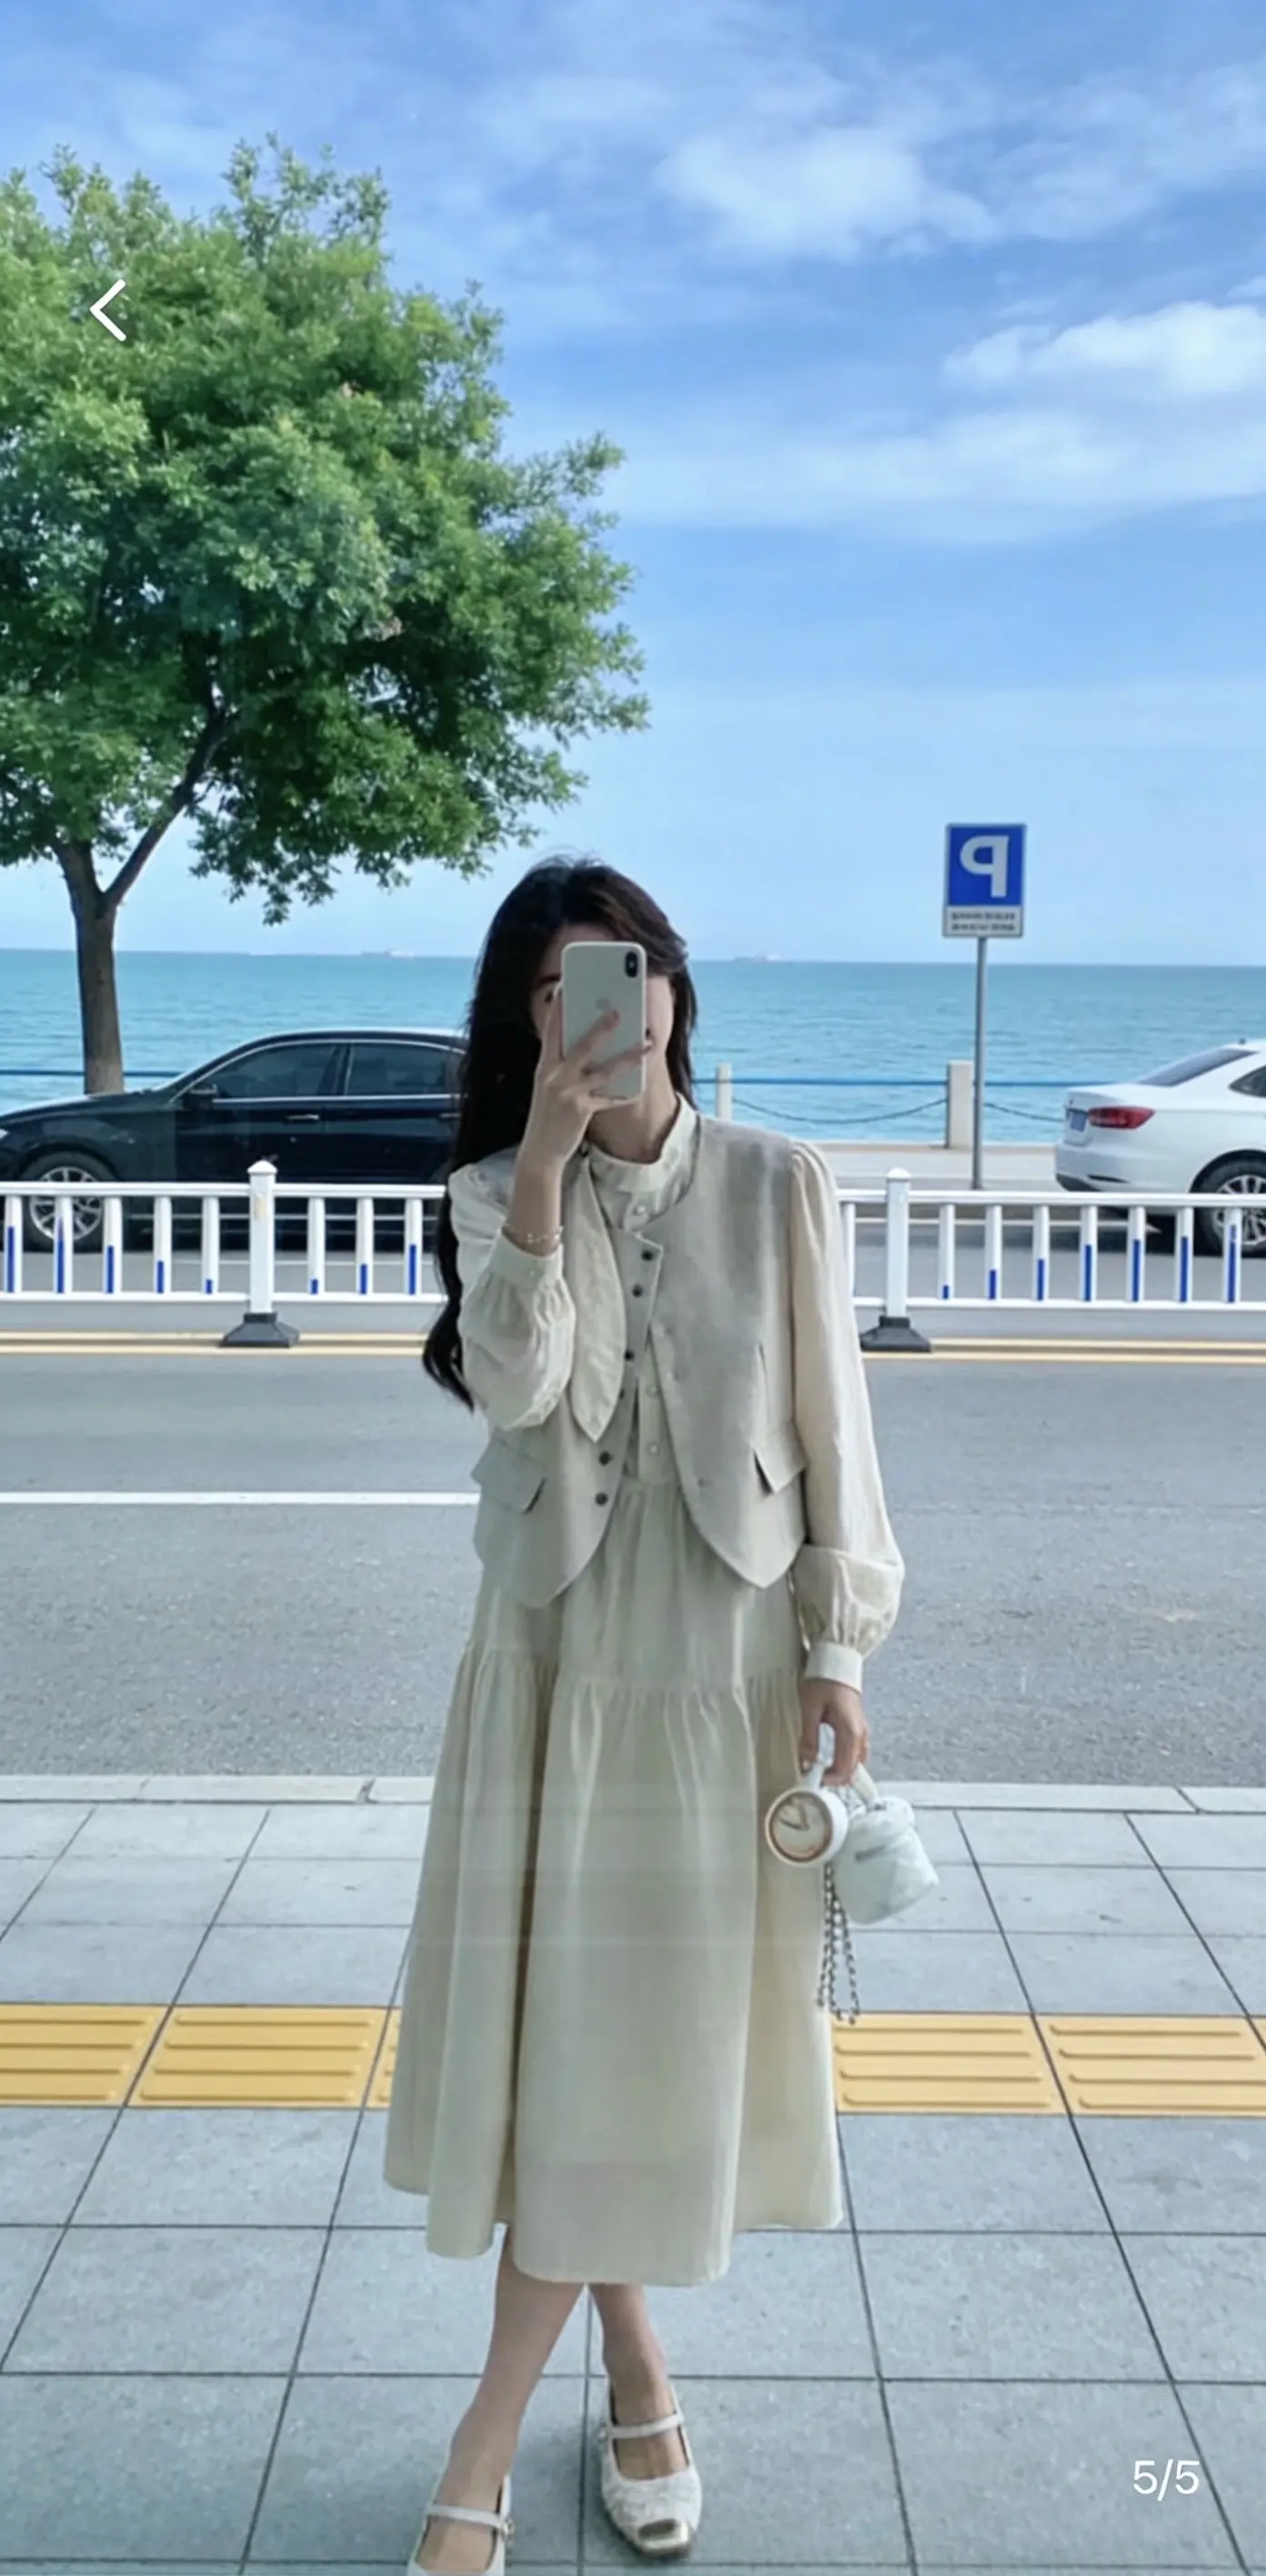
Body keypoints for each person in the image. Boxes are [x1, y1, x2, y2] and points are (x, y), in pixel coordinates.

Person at [383, 857, 905, 2573]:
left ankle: (548, 2413)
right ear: (525, 1027)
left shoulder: (776, 1181)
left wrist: (839, 1652)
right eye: (557, 991)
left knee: (614, 2047)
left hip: (720, 1665)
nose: (601, 1010)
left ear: (672, 989)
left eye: (623, 972)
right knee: (580, 2043)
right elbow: (520, 1391)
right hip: (554, 1661)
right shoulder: (490, 1189)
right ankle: (598, 2392)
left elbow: (836, 1427)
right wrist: (540, 1172)